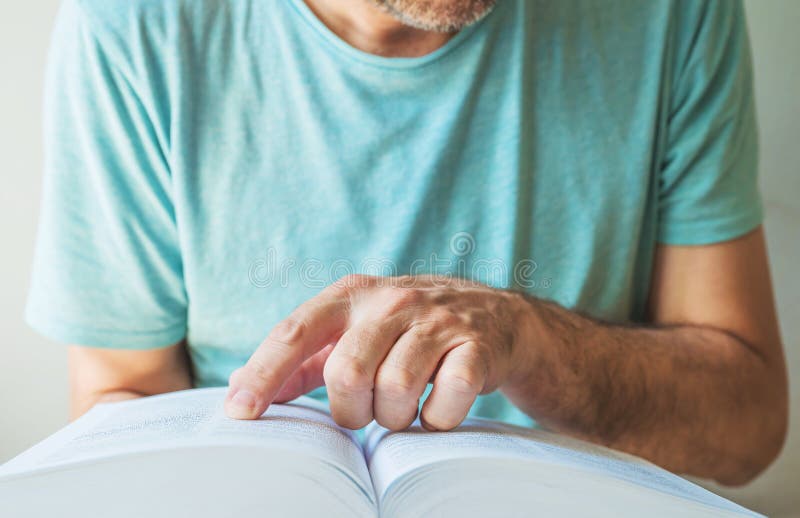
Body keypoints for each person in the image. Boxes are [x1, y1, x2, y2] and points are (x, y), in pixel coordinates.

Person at [28, 0, 788, 486]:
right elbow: (121, 404)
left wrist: (537, 344)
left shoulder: (676, 14)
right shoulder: (132, 26)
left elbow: (746, 427)